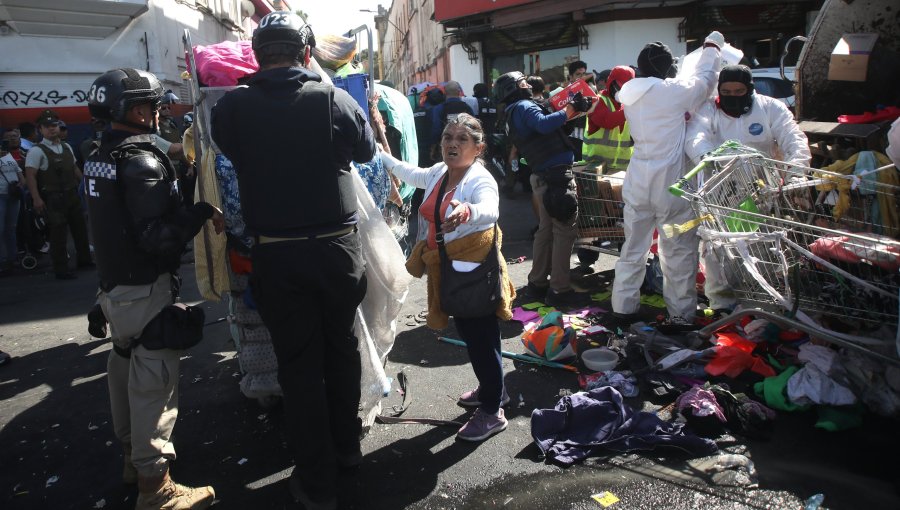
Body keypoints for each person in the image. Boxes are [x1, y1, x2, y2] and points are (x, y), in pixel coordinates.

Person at [210, 11, 375, 509]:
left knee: (299, 368)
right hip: (335, 251)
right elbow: (365, 151)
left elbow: (233, 151)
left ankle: (317, 481)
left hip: (278, 256)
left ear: (260, 55)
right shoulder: (333, 99)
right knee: (341, 351)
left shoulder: (233, 107)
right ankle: (348, 451)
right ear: (306, 53)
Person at [84, 67, 222, 509]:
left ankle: (131, 460)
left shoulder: (99, 156)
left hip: (114, 290)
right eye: (154, 106)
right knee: (153, 385)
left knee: (123, 373)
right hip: (145, 290)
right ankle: (157, 490)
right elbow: (158, 237)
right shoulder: (141, 161)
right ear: (136, 110)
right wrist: (199, 210)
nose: (160, 113)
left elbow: (117, 225)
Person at [380, 113, 515, 441]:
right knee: (475, 337)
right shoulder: (441, 172)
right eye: (447, 138)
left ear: (478, 147)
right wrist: (379, 151)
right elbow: (411, 173)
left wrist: (469, 211)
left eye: (462, 140)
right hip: (453, 271)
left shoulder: (479, 179)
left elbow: (491, 208)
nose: (452, 144)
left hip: (475, 274)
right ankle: (492, 390)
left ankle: (493, 410)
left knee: (482, 339)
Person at [609, 34, 723, 328]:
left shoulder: (629, 94)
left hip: (638, 182)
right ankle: (681, 315)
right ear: (667, 69)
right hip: (670, 184)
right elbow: (705, 81)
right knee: (678, 253)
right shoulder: (671, 91)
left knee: (633, 248)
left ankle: (623, 307)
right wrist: (711, 48)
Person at [685, 64, 811, 312]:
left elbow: (793, 139)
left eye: (739, 91)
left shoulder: (769, 108)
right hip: (721, 192)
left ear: (749, 90)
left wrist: (796, 173)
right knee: (719, 250)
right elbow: (695, 137)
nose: (732, 96)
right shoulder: (709, 110)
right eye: (727, 92)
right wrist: (709, 157)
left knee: (762, 247)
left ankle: (761, 304)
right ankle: (721, 305)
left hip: (762, 192)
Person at [496, 70, 595, 308]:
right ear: (514, 88)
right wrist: (569, 110)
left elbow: (543, 130)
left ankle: (537, 283)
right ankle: (560, 289)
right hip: (557, 177)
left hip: (543, 175)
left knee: (546, 230)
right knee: (564, 231)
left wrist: (566, 115)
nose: (527, 84)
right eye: (522, 81)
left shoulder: (513, 112)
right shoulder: (524, 107)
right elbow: (542, 125)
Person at [575, 65, 636, 274]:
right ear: (612, 83)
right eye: (621, 85)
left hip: (622, 174)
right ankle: (587, 259)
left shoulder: (629, 105)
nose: (624, 90)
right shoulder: (598, 102)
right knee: (592, 219)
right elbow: (608, 122)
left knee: (621, 220)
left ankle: (625, 259)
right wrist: (633, 108)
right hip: (595, 172)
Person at [23, 109, 92, 280]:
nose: (52, 129)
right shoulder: (37, 151)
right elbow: (30, 175)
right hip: (53, 198)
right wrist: (36, 198)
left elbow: (75, 169)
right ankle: (61, 269)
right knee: (58, 234)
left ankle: (84, 261)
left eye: (54, 125)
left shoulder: (66, 147)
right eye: (47, 126)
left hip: (72, 195)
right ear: (40, 130)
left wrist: (86, 186)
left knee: (80, 229)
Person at [430, 80, 476, 158]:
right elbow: (474, 128)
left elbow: (436, 130)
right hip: (464, 150)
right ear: (459, 92)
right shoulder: (467, 108)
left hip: (445, 150)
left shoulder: (438, 109)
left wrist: (433, 147)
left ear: (445, 93)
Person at [1, 137, 24, 273]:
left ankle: (12, 257)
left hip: (13, 194)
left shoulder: (9, 156)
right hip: (1, 195)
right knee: (1, 228)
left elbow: (20, 174)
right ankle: (3, 258)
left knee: (11, 228)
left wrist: (21, 183)